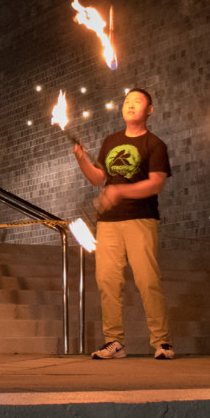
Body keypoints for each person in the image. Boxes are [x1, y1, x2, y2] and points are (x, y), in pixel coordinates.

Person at [73, 88, 174, 360]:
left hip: (141, 218)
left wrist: (119, 192)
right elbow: (98, 178)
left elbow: (156, 183)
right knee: (107, 280)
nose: (130, 105)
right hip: (108, 222)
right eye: (127, 101)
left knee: (147, 280)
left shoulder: (155, 144)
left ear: (149, 110)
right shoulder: (111, 141)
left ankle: (162, 342)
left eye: (138, 101)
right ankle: (114, 342)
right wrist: (81, 159)